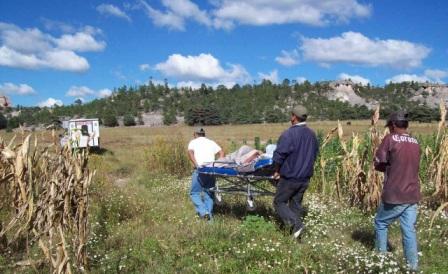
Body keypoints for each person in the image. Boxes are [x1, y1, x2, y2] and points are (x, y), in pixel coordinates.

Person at [373, 111, 421, 271]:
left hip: (395, 193)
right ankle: (412, 266)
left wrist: (384, 166)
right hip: (413, 193)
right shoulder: (415, 141)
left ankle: (381, 259)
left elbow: (379, 162)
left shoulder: (390, 139)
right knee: (408, 229)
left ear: (393, 125)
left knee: (380, 222)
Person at [272, 105, 319, 239]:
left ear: (293, 117)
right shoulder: (311, 134)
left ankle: (296, 225)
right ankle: (296, 236)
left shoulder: (289, 134)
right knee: (295, 205)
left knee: (279, 202)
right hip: (305, 177)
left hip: (290, 177)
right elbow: (314, 154)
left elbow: (279, 155)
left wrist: (276, 170)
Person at [187, 128, 224, 220]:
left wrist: (196, 164)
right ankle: (209, 219)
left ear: (195, 134)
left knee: (194, 193)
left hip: (200, 170)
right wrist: (217, 164)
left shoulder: (193, 142)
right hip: (211, 170)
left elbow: (190, 153)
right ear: (204, 134)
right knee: (209, 193)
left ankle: (203, 211)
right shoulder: (211, 142)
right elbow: (221, 152)